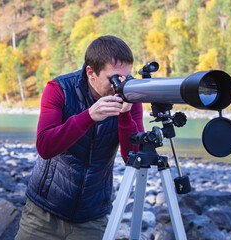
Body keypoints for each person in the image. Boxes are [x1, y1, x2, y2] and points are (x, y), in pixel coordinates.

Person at [15, 35, 144, 240]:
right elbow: (45, 146)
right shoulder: (59, 90)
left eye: (126, 77)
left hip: (91, 216)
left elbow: (134, 158)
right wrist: (89, 117)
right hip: (44, 211)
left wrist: (125, 116)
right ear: (90, 72)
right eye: (114, 78)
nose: (120, 85)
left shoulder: (131, 98)